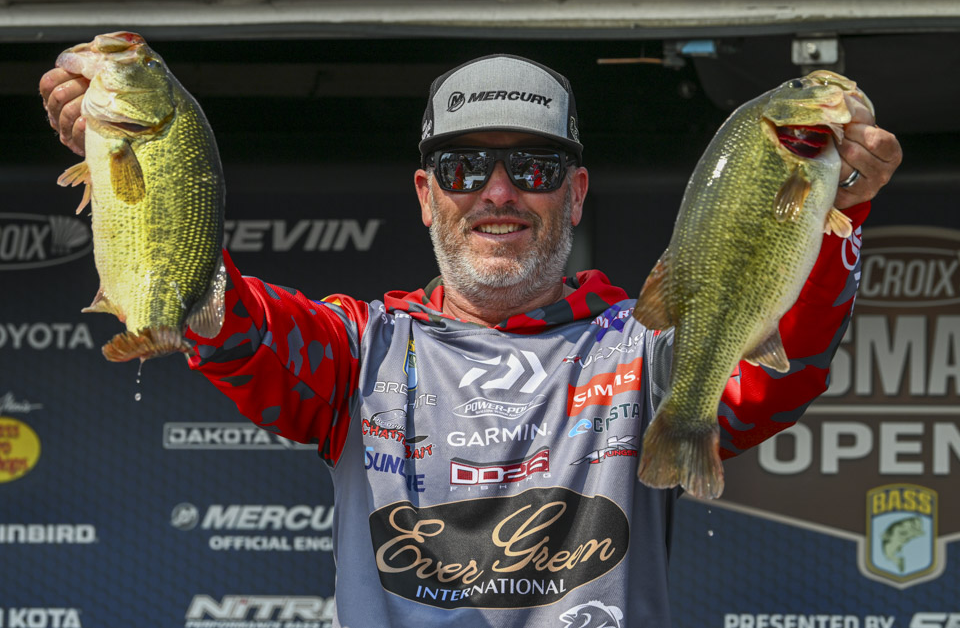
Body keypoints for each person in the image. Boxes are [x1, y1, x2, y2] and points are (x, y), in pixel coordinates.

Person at [40, 52, 902, 627]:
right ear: (425, 194)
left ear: (575, 193)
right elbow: (235, 324)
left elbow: (779, 370)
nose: (497, 192)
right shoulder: (360, 346)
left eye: (532, 168)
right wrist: (134, 170)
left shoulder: (640, 346)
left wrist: (842, 209)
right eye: (461, 168)